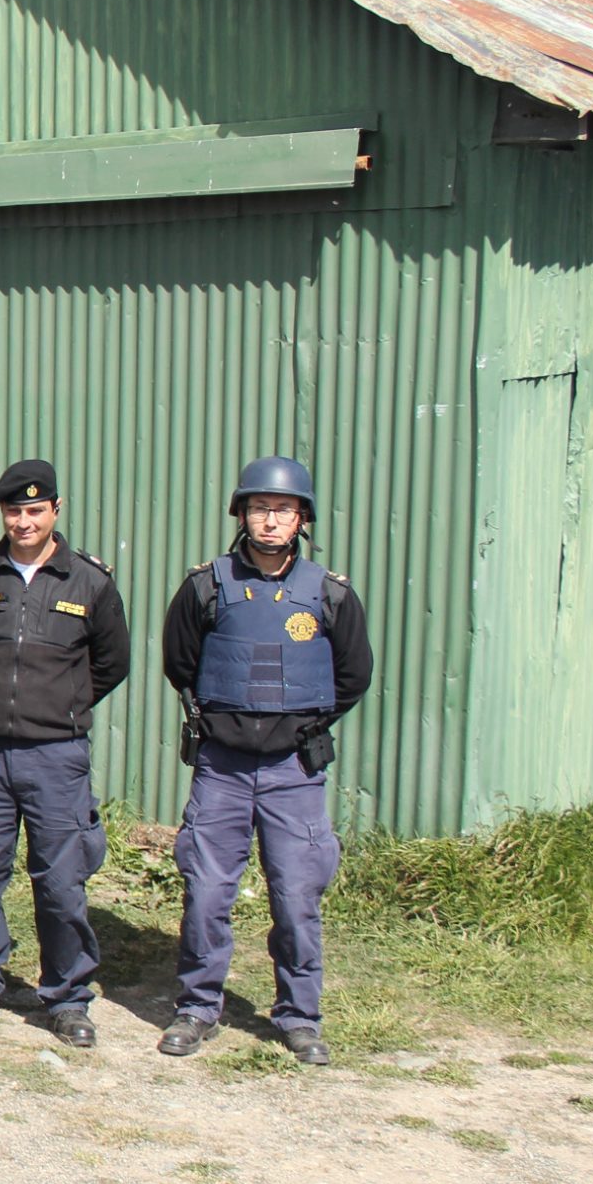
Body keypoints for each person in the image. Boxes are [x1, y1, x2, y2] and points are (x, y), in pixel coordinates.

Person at [158, 456, 372, 1066]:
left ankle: (300, 1016)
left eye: (282, 510)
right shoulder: (206, 586)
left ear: (301, 518)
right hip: (221, 766)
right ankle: (198, 1007)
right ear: (242, 515)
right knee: (205, 892)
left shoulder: (330, 593)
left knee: (297, 896)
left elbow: (353, 675)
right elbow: (181, 661)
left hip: (293, 771)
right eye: (259, 509)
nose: (270, 520)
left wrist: (299, 726)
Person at [0, 459, 129, 1047]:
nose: (24, 520)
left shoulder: (89, 582)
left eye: (35, 510)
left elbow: (111, 663)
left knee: (62, 882)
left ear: (56, 511)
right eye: (14, 511)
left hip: (56, 757)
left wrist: (60, 703)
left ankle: (68, 999)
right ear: (3, 514)